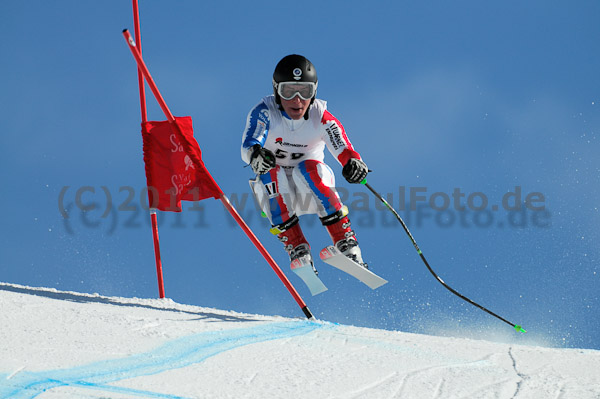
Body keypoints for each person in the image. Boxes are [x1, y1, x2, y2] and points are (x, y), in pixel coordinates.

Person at [241, 54, 369, 275]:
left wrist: (354, 163)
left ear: (314, 92)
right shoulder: (265, 111)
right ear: (276, 91)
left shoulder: (320, 114)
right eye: (288, 92)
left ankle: (345, 242)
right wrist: (256, 154)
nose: (297, 100)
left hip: (312, 189)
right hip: (276, 194)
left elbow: (343, 146)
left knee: (308, 169)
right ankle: (298, 248)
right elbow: (251, 141)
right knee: (270, 172)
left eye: (305, 91)